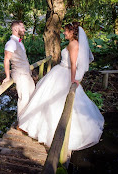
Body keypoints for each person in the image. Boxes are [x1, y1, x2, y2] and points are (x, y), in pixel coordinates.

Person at [19, 22, 104, 151]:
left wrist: (72, 81)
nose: (64, 33)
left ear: (72, 32)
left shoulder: (73, 45)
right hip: (60, 72)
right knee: (48, 99)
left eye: (66, 31)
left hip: (64, 74)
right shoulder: (74, 44)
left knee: (55, 102)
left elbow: (74, 64)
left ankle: (50, 134)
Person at [2, 20, 35, 123]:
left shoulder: (19, 42)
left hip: (26, 74)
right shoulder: (11, 43)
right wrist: (8, 77)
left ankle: (29, 121)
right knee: (24, 98)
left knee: (33, 94)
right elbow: (6, 59)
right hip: (20, 75)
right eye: (23, 28)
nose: (24, 30)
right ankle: (21, 123)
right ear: (16, 29)